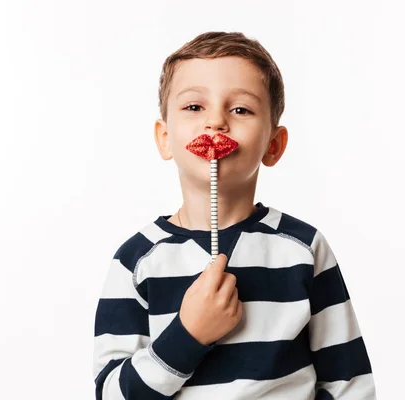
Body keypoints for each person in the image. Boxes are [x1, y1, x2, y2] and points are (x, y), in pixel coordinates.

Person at [92, 31, 377, 399]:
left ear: (273, 145)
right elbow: (111, 393)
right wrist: (188, 334)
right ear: (165, 138)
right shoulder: (137, 260)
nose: (216, 123)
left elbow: (349, 383)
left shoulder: (304, 249)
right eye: (194, 107)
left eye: (240, 109)